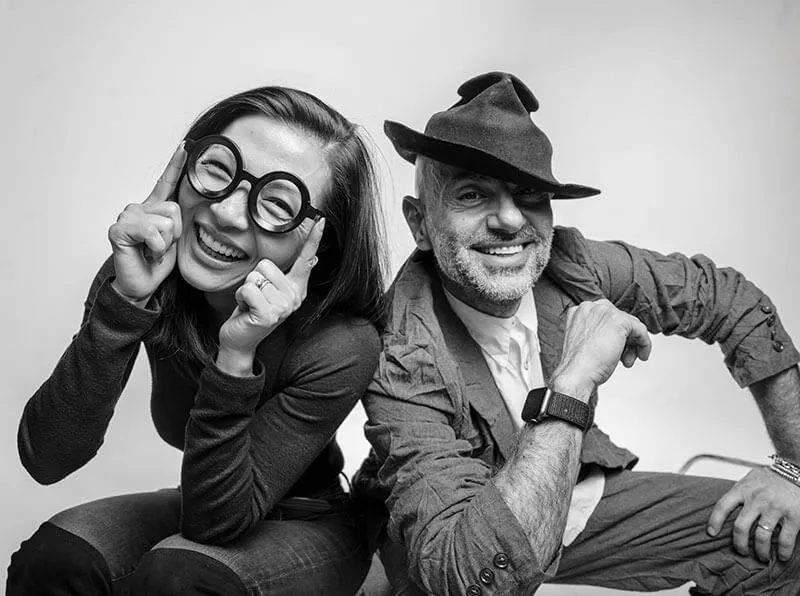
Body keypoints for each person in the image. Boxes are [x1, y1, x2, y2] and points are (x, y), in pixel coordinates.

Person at [354, 71, 800, 595]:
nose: (509, 220)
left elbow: (730, 298)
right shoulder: (400, 349)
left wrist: (793, 467)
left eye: (528, 193)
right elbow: (469, 573)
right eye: (472, 194)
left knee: (781, 540)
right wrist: (571, 384)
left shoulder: (571, 264)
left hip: (578, 503)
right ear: (420, 223)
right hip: (461, 540)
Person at [7, 85, 388, 596]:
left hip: (313, 521)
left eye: (278, 203)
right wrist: (123, 306)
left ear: (320, 240)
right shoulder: (143, 275)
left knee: (180, 578)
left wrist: (236, 354)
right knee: (56, 558)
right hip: (205, 498)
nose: (227, 213)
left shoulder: (342, 343)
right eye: (218, 169)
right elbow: (47, 458)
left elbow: (215, 525)